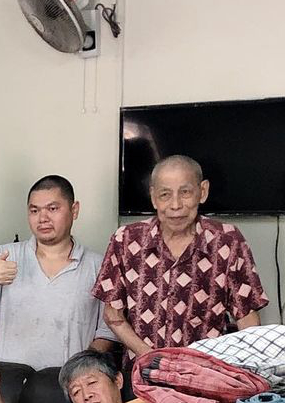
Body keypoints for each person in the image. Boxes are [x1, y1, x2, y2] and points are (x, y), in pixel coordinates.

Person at [92, 153, 266, 367]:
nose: (175, 205)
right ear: (153, 197)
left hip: (206, 373)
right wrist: (150, 357)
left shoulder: (228, 240)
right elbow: (113, 315)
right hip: (144, 372)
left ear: (203, 192)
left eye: (185, 192)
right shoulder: (126, 239)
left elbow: (247, 318)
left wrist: (251, 370)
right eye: (165, 194)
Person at [0, 175, 116, 369]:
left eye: (53, 209)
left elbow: (108, 330)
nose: (43, 218)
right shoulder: (6, 255)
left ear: (74, 210)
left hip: (66, 380)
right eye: (34, 210)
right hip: (4, 378)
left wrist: (81, 369)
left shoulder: (97, 266)